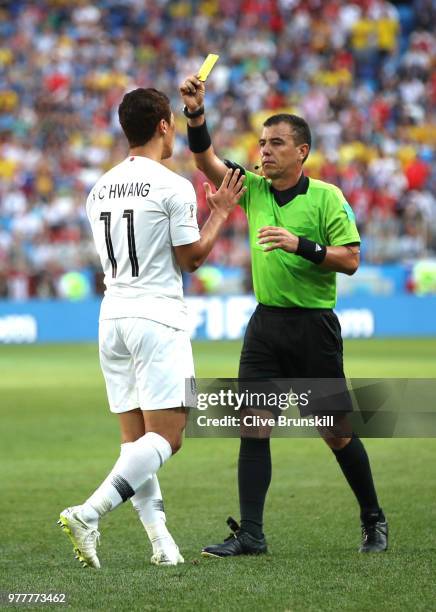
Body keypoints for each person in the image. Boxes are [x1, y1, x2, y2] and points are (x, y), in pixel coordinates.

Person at [179, 75, 388, 556]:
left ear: (302, 152)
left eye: (277, 143)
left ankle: (373, 518)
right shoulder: (251, 189)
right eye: (262, 143)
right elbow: (205, 160)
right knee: (253, 423)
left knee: (335, 433)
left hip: (313, 329)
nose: (265, 151)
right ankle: (251, 533)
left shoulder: (327, 197)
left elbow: (351, 260)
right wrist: (196, 114)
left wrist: (303, 246)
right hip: (265, 328)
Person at [58, 87, 245, 568]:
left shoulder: (98, 188)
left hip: (112, 316)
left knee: (136, 443)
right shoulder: (172, 185)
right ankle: (89, 512)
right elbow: (192, 258)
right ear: (165, 125)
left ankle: (163, 545)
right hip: (156, 317)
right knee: (169, 436)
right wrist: (221, 211)